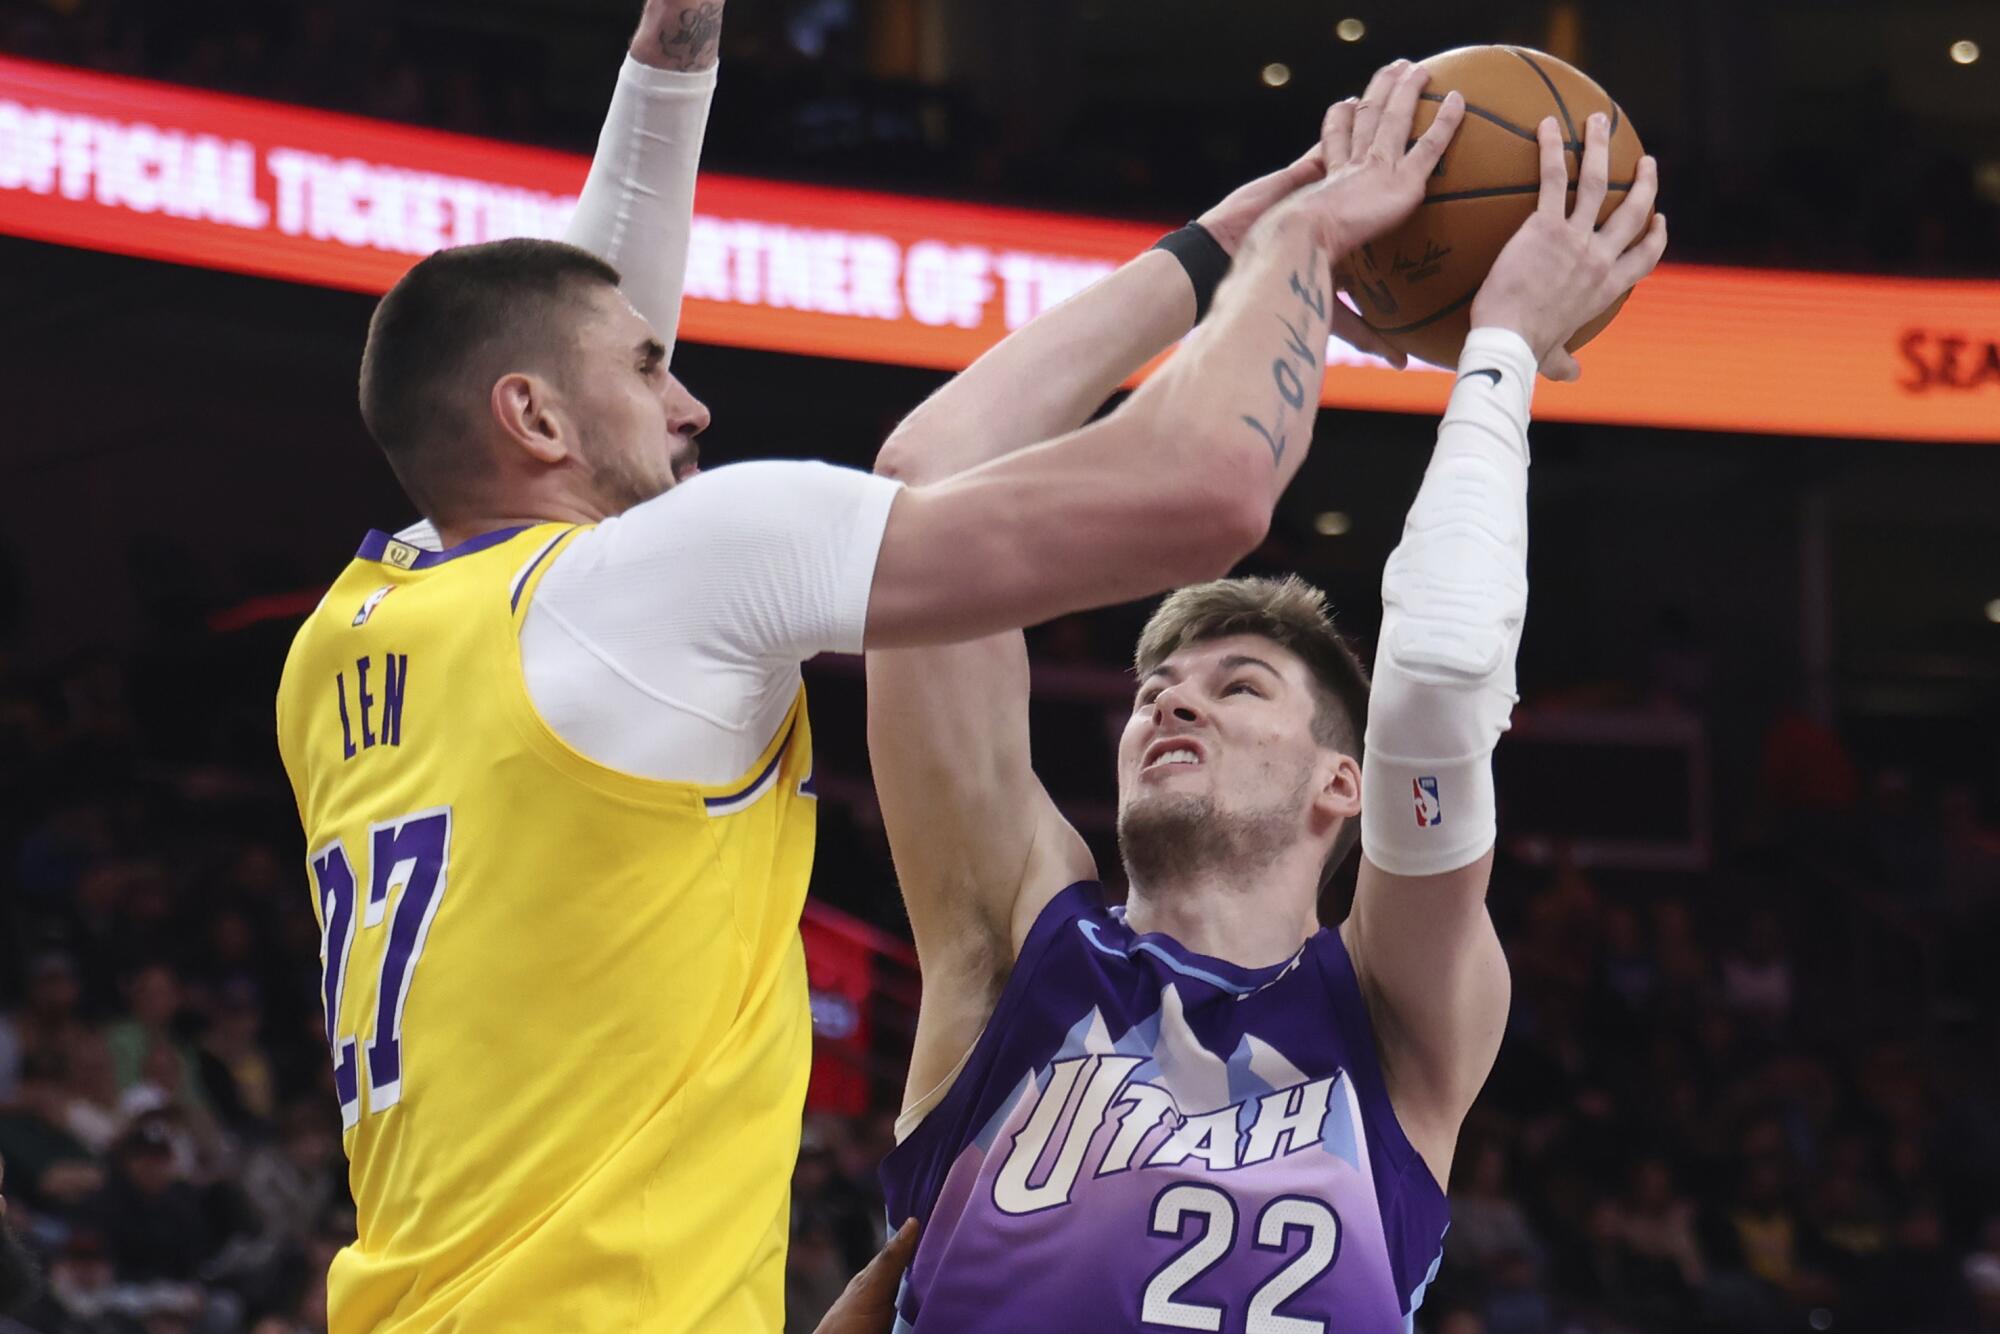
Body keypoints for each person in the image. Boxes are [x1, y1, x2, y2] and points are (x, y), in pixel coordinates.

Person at [274, 8, 1463, 1332]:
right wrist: (1302, 243)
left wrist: (671, 68)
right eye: (655, 369)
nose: (693, 406)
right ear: (538, 419)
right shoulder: (678, 568)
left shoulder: (350, 637)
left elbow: (547, 338)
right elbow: (1209, 486)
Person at [867, 76, 1666, 1329]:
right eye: (1152, 689)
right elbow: (928, 480)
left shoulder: (1394, 1014)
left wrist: (1501, 344)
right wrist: (1238, 241)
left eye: (1235, 685)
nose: (1169, 704)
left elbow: (1444, 678)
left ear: (1340, 785)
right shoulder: (1016, 943)